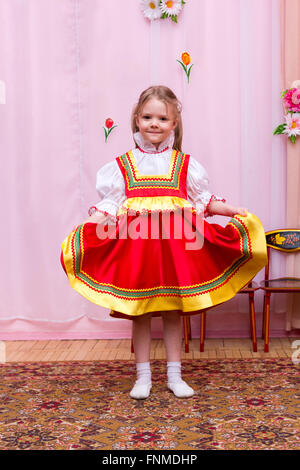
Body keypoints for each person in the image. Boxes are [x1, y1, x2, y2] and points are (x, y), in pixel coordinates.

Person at [60, 86, 267, 400]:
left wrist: (232, 210)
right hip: (137, 253)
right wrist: (90, 230)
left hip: (176, 253)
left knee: (173, 314)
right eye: (147, 117)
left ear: (174, 124)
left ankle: (174, 375)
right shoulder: (122, 165)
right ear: (137, 120)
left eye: (161, 118)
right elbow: (110, 206)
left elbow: (204, 200)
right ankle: (143, 377)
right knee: (140, 314)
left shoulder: (184, 165)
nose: (153, 123)